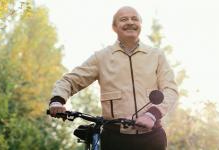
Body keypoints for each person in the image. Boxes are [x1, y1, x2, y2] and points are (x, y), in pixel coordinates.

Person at [49, 6, 178, 150]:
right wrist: (57, 101)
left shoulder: (156, 55)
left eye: (134, 19)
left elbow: (170, 90)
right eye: (123, 19)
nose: (130, 22)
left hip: (152, 138)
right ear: (114, 27)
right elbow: (70, 80)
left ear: (140, 25)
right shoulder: (101, 57)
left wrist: (151, 115)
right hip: (115, 139)